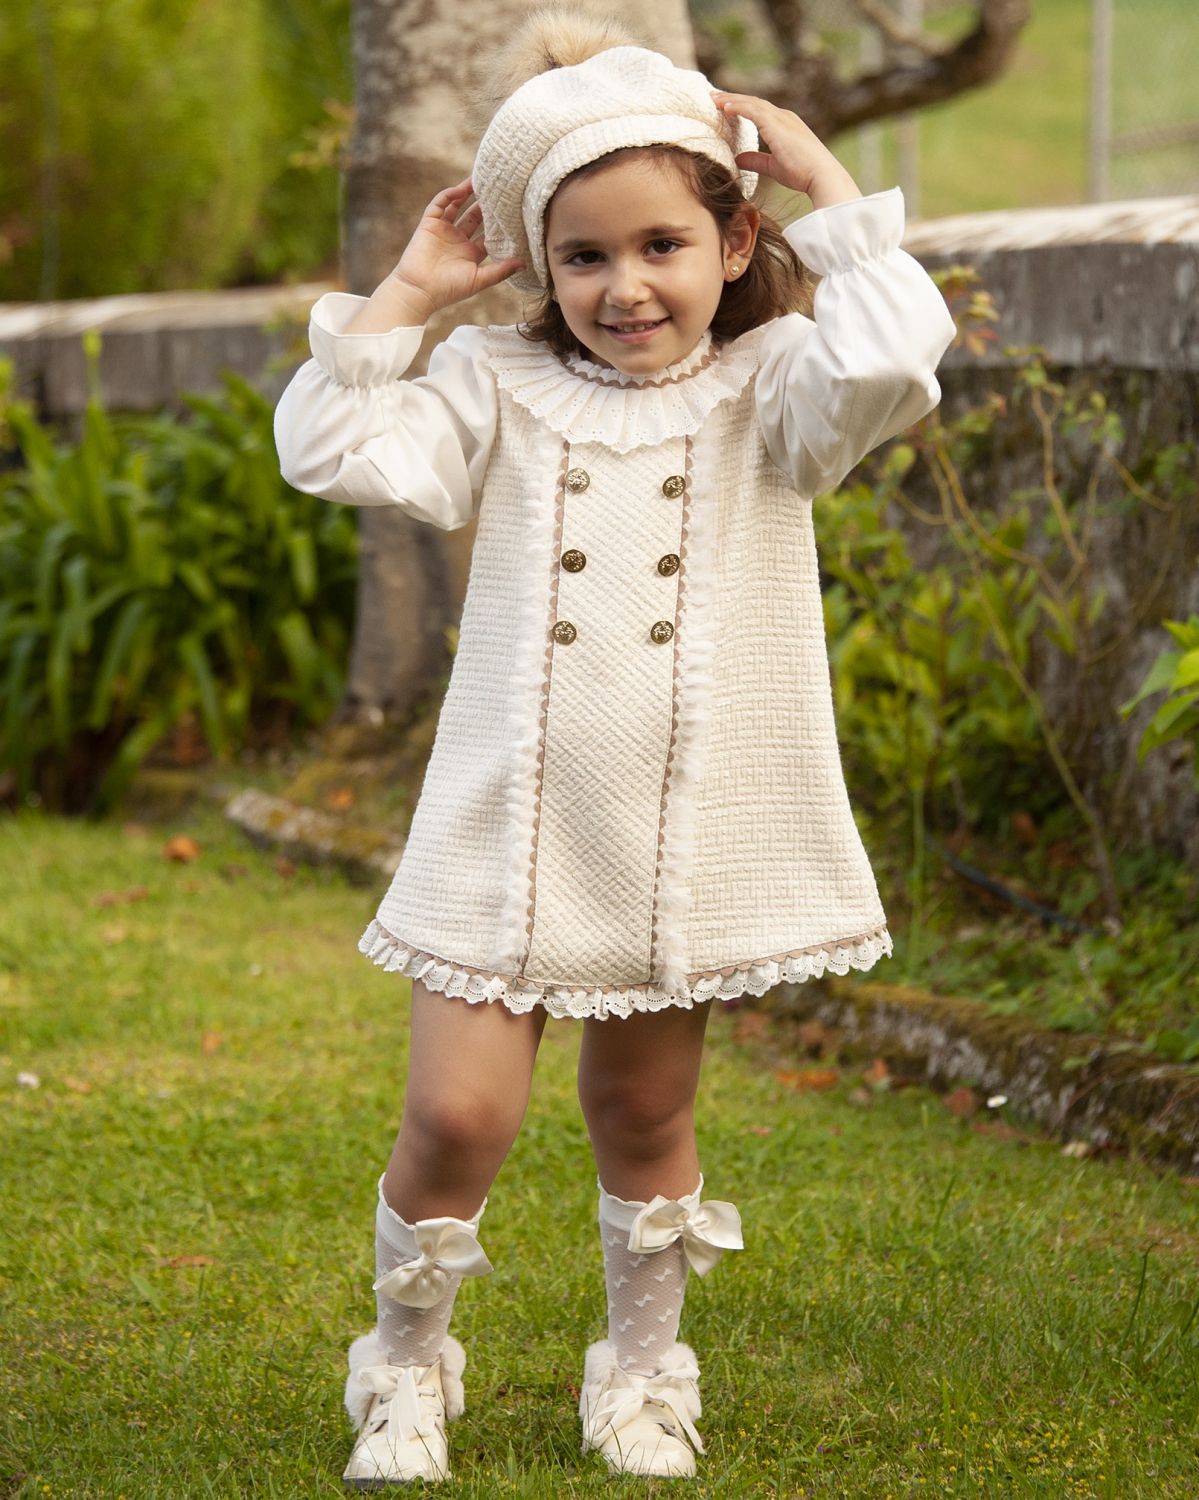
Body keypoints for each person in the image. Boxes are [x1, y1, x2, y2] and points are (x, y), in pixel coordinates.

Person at [273, 6, 955, 1487]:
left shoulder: (778, 389)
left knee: (645, 1109)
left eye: (660, 246)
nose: (624, 285)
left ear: (728, 242)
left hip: (681, 828)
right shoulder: (494, 389)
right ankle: (402, 1362)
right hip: (509, 815)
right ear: (536, 262)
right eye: (583, 254)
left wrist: (832, 187)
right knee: (457, 1114)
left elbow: (899, 364)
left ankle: (643, 1372)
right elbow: (327, 445)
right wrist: (409, 287)